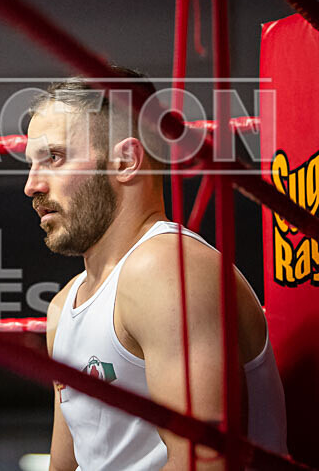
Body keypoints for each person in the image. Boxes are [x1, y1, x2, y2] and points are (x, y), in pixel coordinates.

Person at [23, 68, 287, 470]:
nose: (31, 185)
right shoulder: (63, 306)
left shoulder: (166, 268)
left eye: (54, 158)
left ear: (126, 161)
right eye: (31, 164)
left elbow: (206, 464)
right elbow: (65, 466)